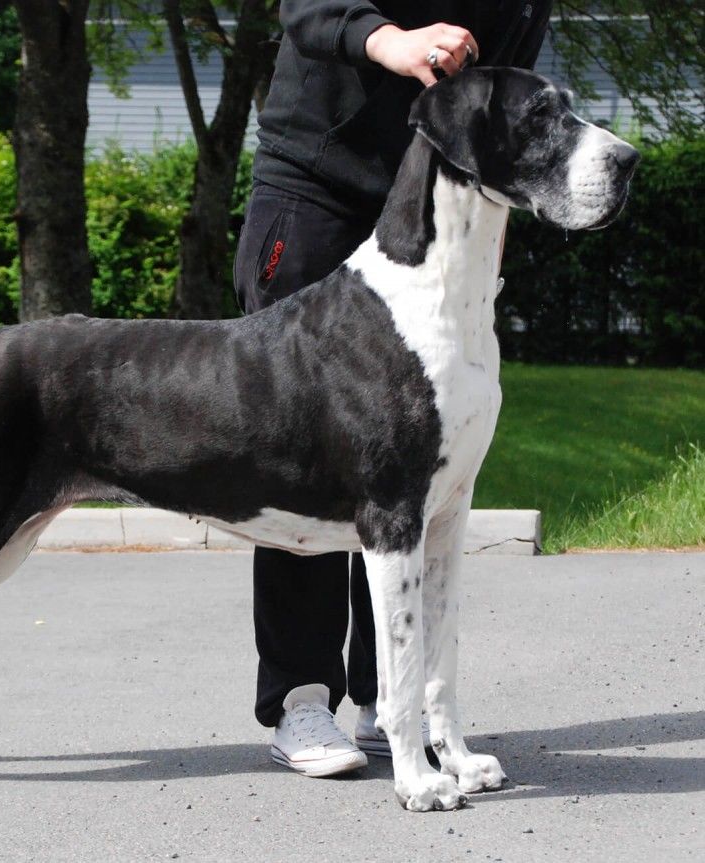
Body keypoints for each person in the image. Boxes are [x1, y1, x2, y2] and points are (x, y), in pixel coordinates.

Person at [234, 0, 552, 777]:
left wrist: (488, 265)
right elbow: (305, 8)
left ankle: (391, 699)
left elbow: (499, 126)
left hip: (434, 197)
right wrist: (391, 41)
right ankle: (302, 698)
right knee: (301, 448)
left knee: (413, 470)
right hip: (317, 181)